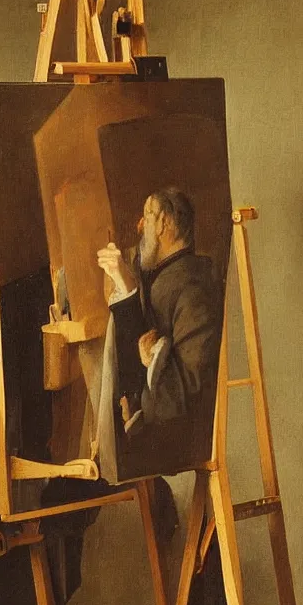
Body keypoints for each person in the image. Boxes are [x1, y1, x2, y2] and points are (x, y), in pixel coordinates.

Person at [96, 187, 222, 474]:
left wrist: (153, 359)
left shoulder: (191, 286)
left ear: (164, 222)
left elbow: (192, 386)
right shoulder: (169, 277)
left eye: (147, 217)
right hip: (158, 425)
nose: (140, 226)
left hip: (179, 438)